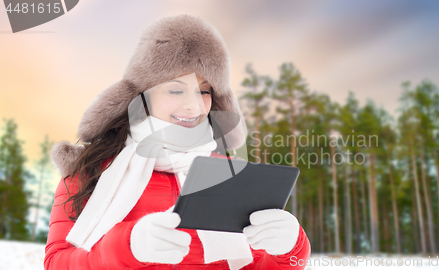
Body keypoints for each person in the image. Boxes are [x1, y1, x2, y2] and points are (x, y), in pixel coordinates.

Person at [45, 15, 310, 270]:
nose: (194, 105)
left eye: (204, 91)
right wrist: (127, 246)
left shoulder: (230, 175)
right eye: (175, 89)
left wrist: (291, 248)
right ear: (142, 96)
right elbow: (57, 263)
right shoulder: (89, 171)